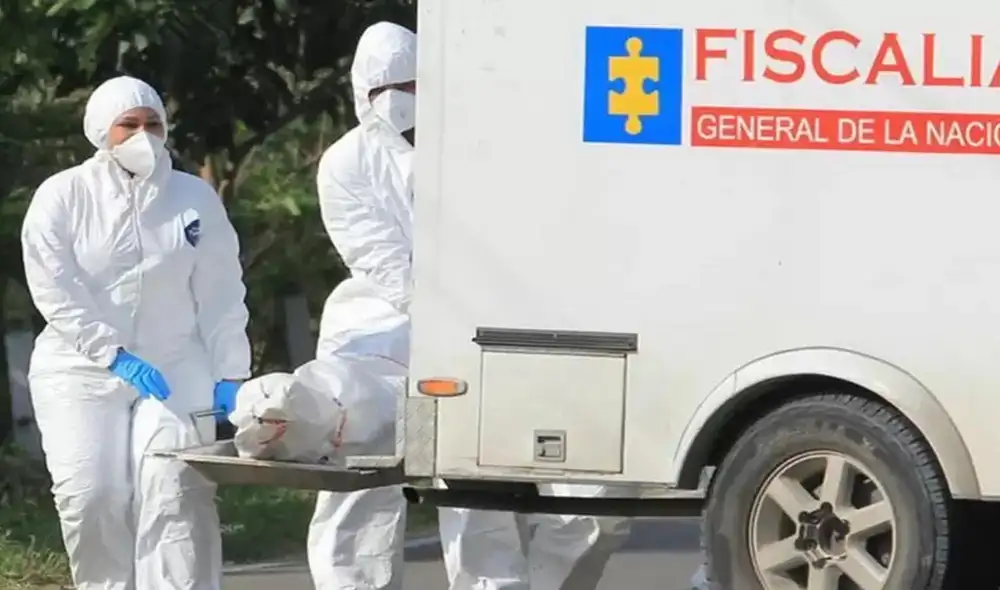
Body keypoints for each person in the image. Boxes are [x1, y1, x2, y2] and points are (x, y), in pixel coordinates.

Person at [20, 75, 251, 590]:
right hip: (78, 367)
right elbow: (54, 287)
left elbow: (221, 292)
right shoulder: (63, 196)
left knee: (175, 489)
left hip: (175, 362)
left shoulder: (193, 198)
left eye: (154, 124)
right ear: (101, 131)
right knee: (91, 496)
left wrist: (231, 371)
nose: (143, 135)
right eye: (129, 125)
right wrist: (112, 353)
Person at [306, 21, 417, 590]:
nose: (399, 101)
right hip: (371, 335)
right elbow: (383, 261)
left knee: (482, 494)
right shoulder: (345, 163)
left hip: (467, 330)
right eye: (383, 89)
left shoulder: (463, 149)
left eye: (412, 85)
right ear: (361, 94)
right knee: (362, 485)